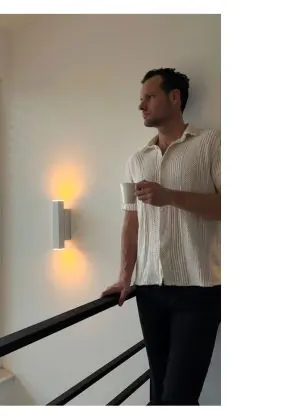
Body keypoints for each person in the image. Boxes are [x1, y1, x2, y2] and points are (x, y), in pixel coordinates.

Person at [102, 68, 221, 406]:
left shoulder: (212, 143)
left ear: (174, 97)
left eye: (149, 97)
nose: (141, 106)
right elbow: (131, 221)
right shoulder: (136, 160)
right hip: (149, 289)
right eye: (141, 99)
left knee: (178, 398)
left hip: (199, 288)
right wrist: (125, 276)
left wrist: (170, 196)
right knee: (159, 393)